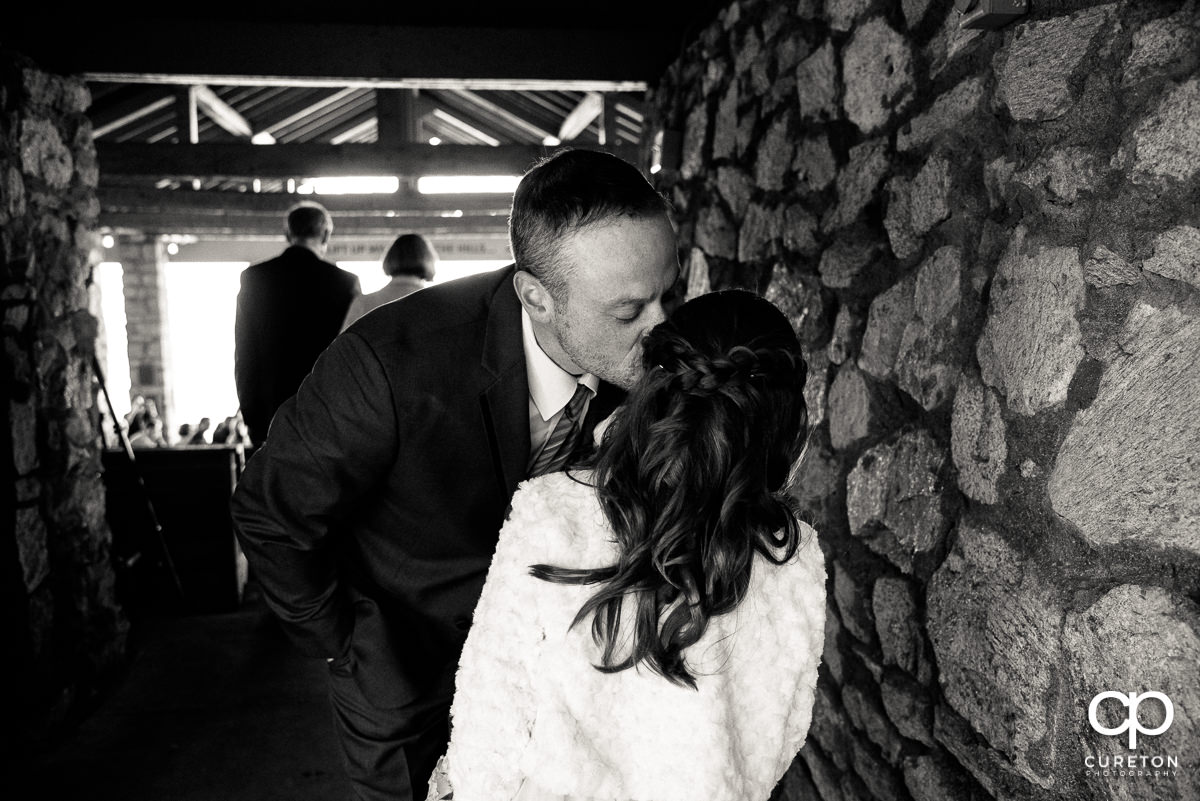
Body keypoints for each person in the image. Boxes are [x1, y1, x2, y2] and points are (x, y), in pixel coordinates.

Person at [229, 148, 681, 801]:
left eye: (668, 291)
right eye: (629, 310)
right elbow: (271, 512)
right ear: (537, 297)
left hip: (567, 690)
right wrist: (348, 640)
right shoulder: (389, 363)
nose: (663, 329)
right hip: (409, 676)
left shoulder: (655, 360)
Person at [425, 289, 825, 801]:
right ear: (785, 418)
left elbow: (494, 700)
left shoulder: (553, 506)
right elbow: (782, 729)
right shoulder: (791, 553)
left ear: (652, 386)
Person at [234, 200, 361, 447]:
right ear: (325, 234)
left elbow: (245, 352)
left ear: (287, 233)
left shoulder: (254, 279)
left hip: (271, 412)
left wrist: (252, 419)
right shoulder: (344, 283)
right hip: (327, 410)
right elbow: (351, 356)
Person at [341, 233, 438, 332]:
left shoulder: (363, 303)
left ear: (390, 258)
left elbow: (344, 345)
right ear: (428, 260)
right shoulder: (437, 305)